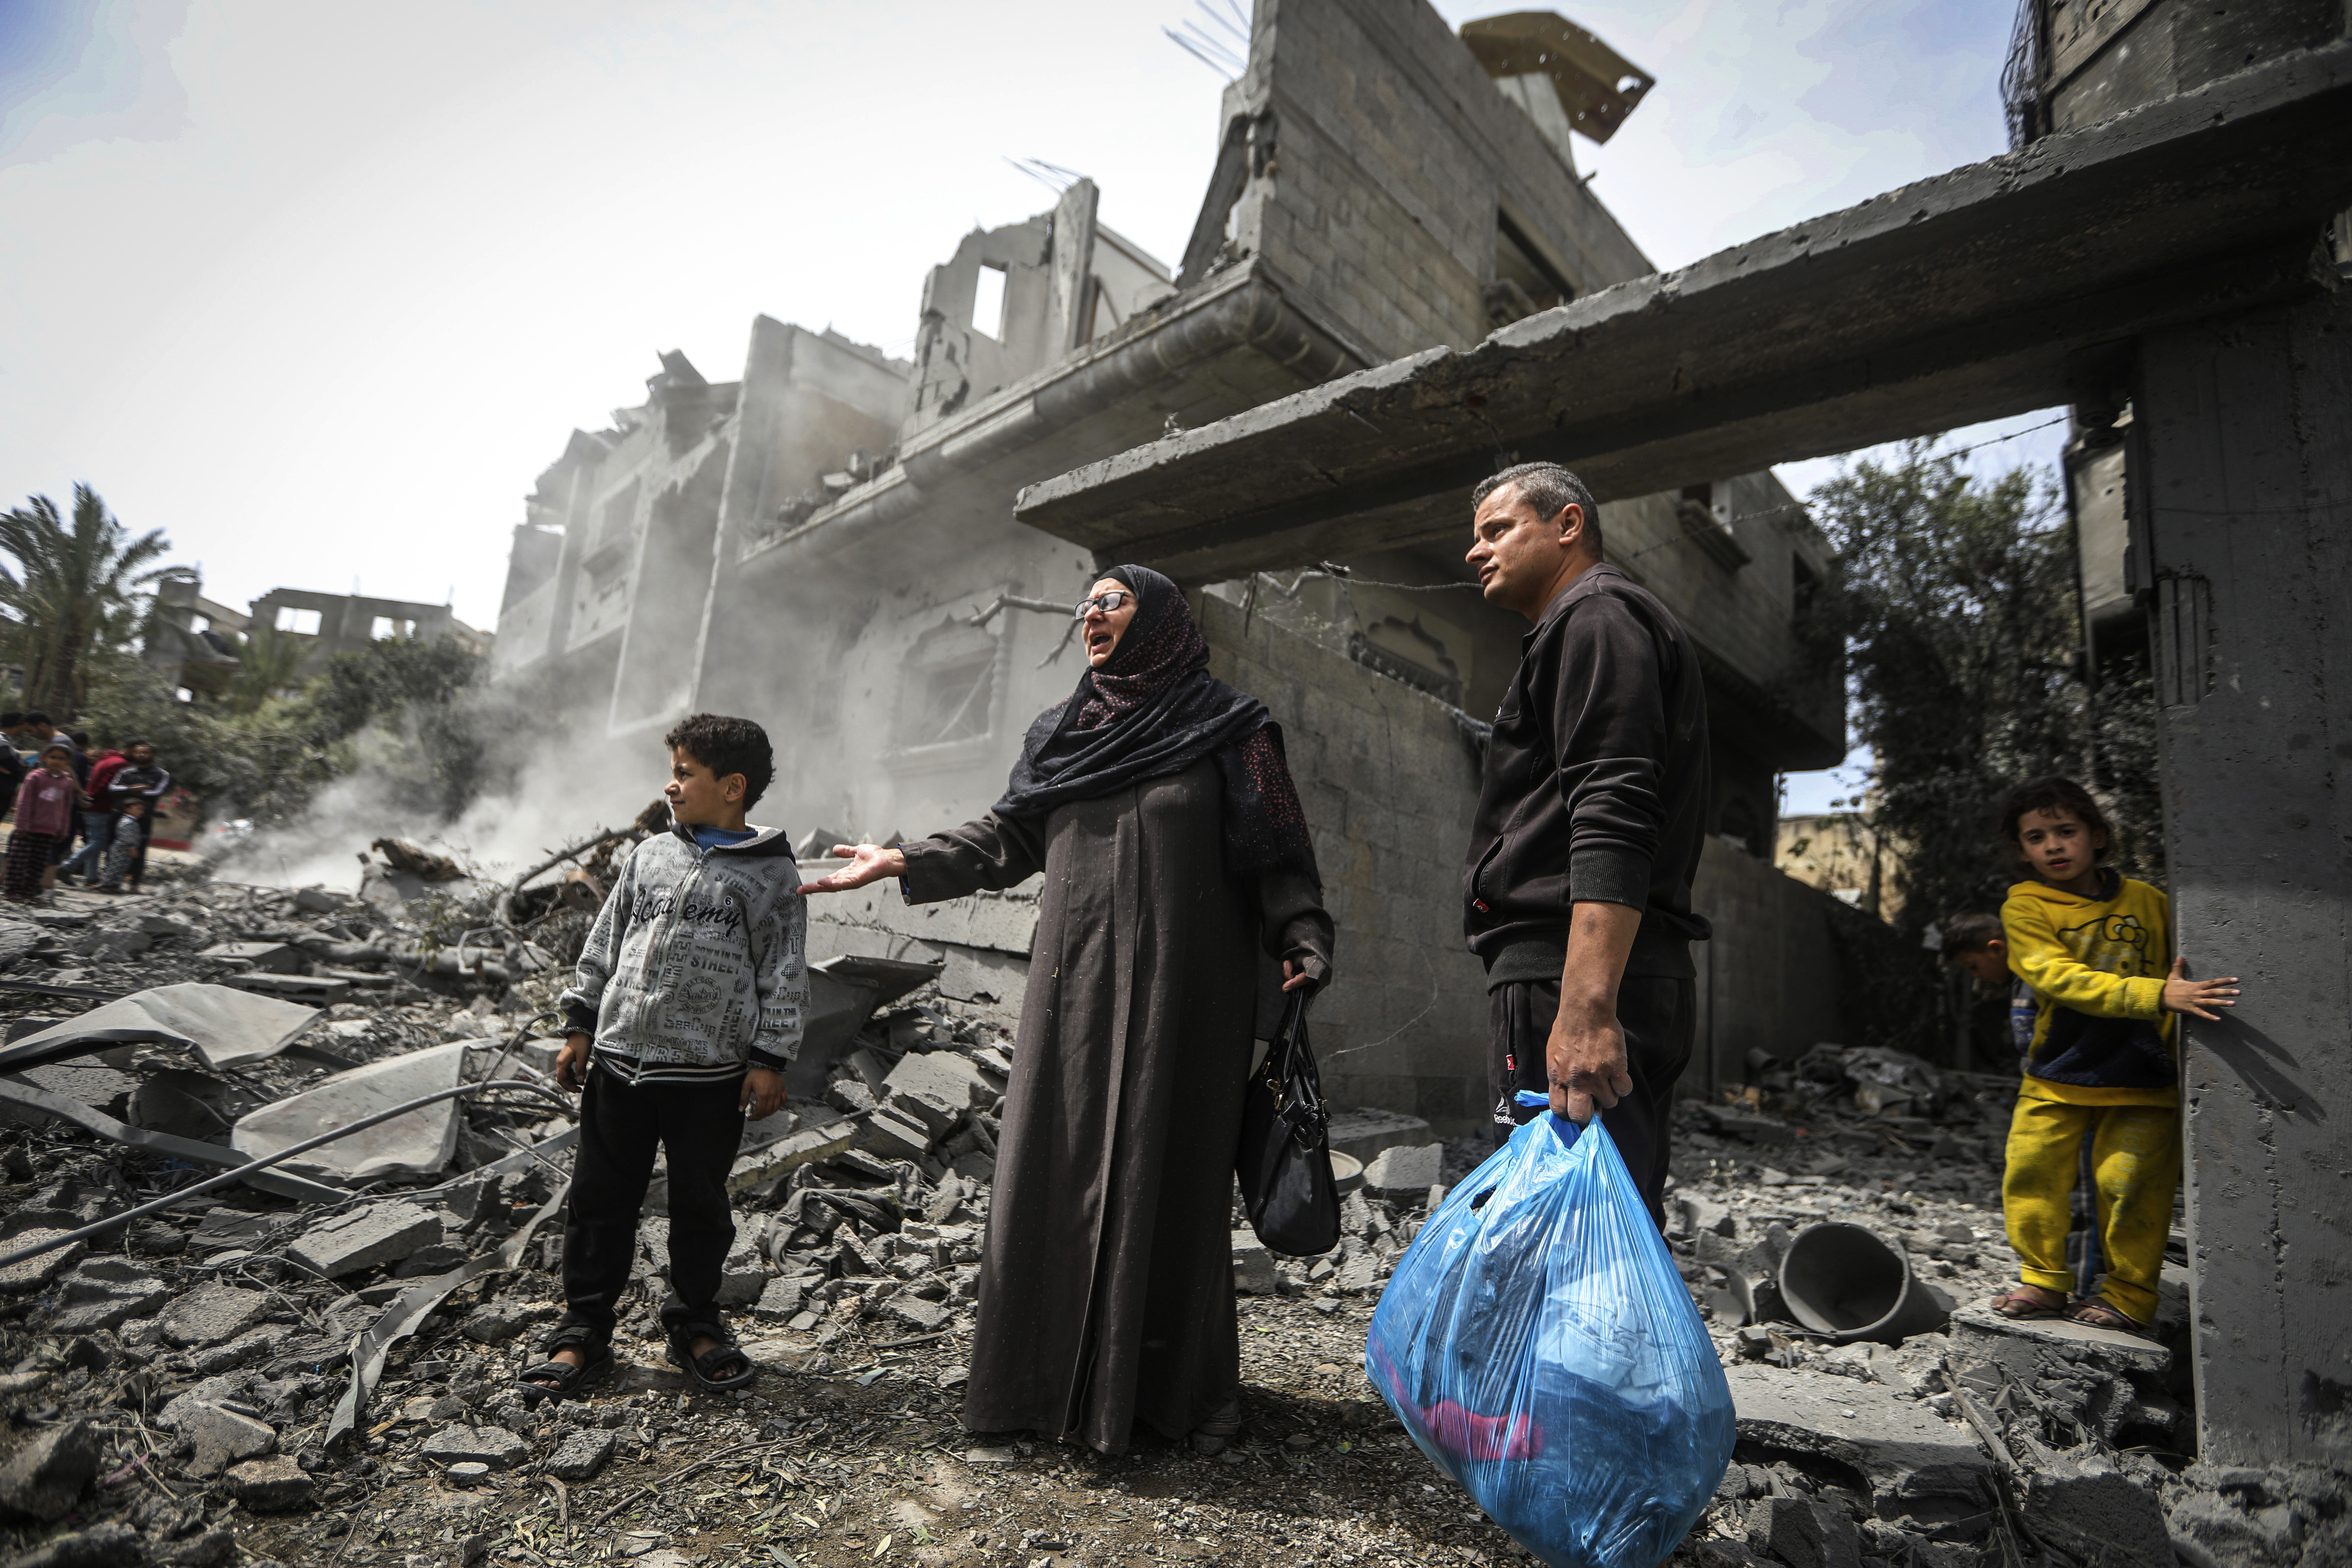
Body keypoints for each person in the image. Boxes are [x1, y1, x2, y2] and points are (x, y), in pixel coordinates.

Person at [801, 567, 1334, 1456]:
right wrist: (901, 859)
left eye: (1110, 601)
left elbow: (1281, 854)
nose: (1089, 613)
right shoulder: (1062, 732)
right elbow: (1009, 836)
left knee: (1175, 1176)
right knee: (1052, 1171)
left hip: (1187, 993)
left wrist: (1303, 934)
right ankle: (1030, 1394)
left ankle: (1180, 1400)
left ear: (1160, 620)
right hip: (1076, 989)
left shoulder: (1232, 729)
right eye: (1083, 603)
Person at [520, 714, 808, 1404]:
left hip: (707, 1076)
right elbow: (606, 938)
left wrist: (770, 1056)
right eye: (674, 770)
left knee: (701, 1206)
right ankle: (584, 1327)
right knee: (599, 1201)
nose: (671, 785)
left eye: (685, 773)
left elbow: (786, 970)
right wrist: (581, 1022)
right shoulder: (649, 855)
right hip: (620, 1063)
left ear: (732, 787)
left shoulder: (773, 874)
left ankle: (696, 1323)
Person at [1461, 461, 1710, 1226]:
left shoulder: (1595, 617)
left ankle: (1570, 1357)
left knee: (1571, 1244)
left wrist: (1585, 1008)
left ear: (1567, 524)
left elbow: (1613, 805)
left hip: (1574, 979)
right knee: (1586, 1230)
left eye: (1497, 529)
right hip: (1588, 976)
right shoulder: (1587, 626)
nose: (1476, 552)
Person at [1987, 777, 2236, 1335]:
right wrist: (2155, 995)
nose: (2052, 846)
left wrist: (2171, 999)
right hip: (2057, 1071)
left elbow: (2194, 964)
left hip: (2144, 1073)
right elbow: (2057, 976)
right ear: (2022, 850)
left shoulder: (2150, 903)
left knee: (2132, 1187)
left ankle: (2127, 1296)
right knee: (2031, 1175)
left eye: (2066, 832)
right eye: (2036, 837)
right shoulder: (2025, 905)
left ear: (2097, 837)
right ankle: (2044, 1280)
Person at [1939, 911, 2037, 1059]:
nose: (1975, 976)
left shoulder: (2037, 980)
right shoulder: (2019, 984)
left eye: (1974, 966)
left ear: (1997, 949)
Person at [6, 745, 83, 902]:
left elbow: (66, 808)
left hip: (50, 831)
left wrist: (63, 829)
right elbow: (24, 802)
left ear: (67, 762)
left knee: (38, 863)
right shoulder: (35, 777)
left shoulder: (67, 782)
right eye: (53, 757)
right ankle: (12, 892)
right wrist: (22, 825)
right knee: (18, 862)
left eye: (61, 759)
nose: (56, 761)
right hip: (28, 829)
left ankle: (29, 893)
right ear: (44, 758)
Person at [102, 741, 170, 891]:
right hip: (119, 815)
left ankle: (134, 884)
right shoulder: (126, 772)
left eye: (145, 752)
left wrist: (126, 790)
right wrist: (135, 788)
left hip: (143, 818)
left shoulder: (161, 774)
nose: (141, 755)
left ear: (153, 755)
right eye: (138, 752)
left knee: (139, 850)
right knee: (113, 848)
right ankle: (111, 882)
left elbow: (156, 793)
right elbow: (112, 789)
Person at [59, 742, 125, 886]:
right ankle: (67, 866)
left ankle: (92, 877)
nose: (92, 758)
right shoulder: (118, 763)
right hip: (100, 807)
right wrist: (93, 799)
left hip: (91, 807)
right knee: (99, 842)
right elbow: (106, 786)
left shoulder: (104, 762)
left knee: (94, 842)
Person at [95, 796, 148, 894]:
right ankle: (105, 885)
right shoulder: (127, 822)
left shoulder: (133, 821)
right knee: (114, 868)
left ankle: (114, 886)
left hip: (125, 852)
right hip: (121, 850)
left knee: (121, 869)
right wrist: (132, 847)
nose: (141, 812)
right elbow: (126, 836)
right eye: (138, 809)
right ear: (128, 809)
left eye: (142, 810)